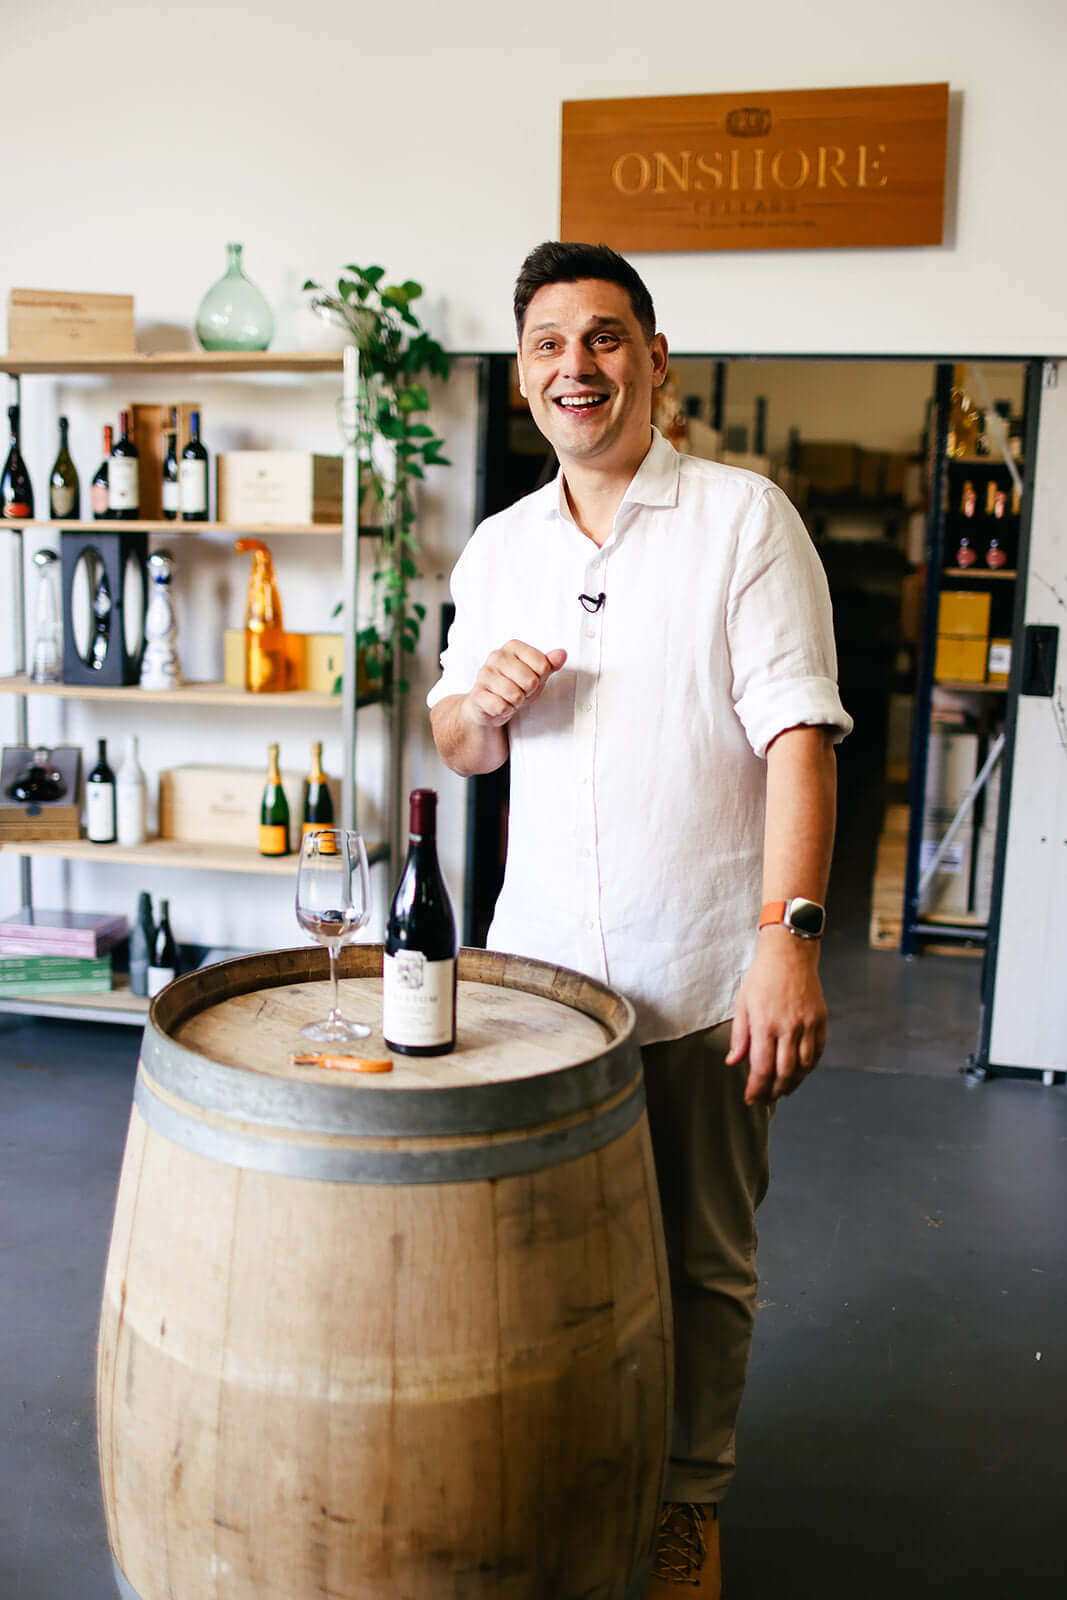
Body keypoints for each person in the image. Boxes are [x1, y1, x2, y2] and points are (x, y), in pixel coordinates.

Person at [428, 241, 852, 1598]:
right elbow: (456, 741)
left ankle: (688, 1503)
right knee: (539, 1249)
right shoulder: (501, 546)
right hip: (540, 983)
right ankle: (577, 1463)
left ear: (654, 358)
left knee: (701, 1262)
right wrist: (478, 710)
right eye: (550, 345)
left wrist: (788, 935)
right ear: (522, 381)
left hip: (702, 968)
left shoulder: (742, 519)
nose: (578, 367)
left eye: (605, 339)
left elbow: (800, 737)